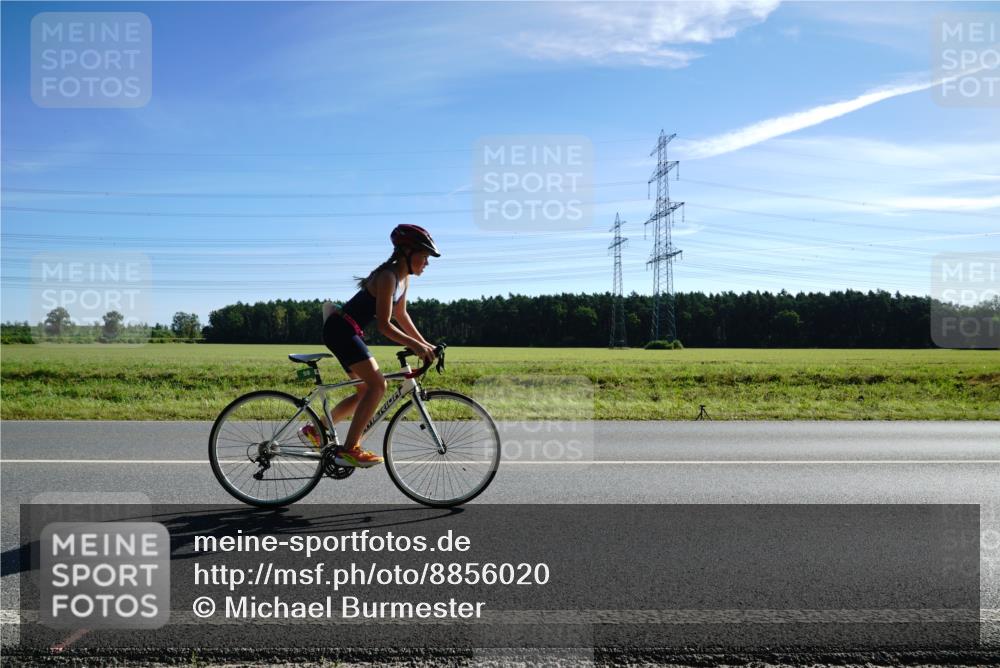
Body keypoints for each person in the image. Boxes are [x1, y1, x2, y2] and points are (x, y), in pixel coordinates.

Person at [298, 224, 440, 467]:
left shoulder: (403, 280)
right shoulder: (387, 277)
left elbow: (401, 315)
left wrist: (426, 344)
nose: (427, 262)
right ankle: (349, 450)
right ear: (407, 252)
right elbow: (385, 325)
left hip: (346, 330)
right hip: (341, 330)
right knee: (378, 385)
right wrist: (416, 346)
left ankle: (315, 429)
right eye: (424, 256)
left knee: (365, 390)